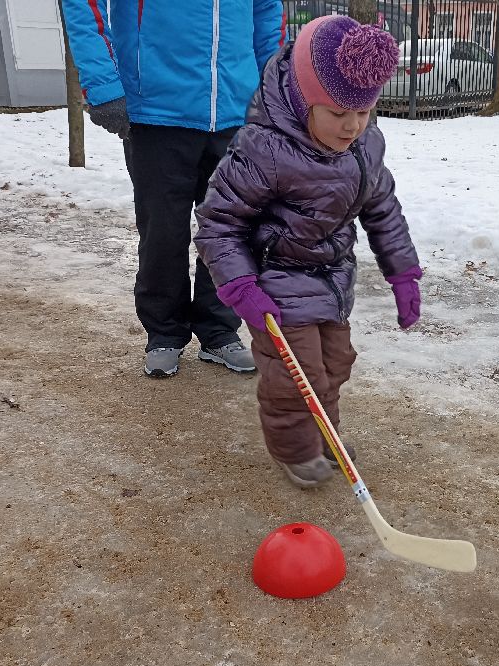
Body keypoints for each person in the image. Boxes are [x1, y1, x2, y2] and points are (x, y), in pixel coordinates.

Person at [194, 15, 422, 488]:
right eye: (337, 112)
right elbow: (219, 222)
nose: (352, 125)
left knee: (336, 364)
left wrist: (402, 273)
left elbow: (383, 210)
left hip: (332, 281)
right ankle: (296, 451)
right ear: (303, 100)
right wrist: (240, 287)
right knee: (298, 376)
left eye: (363, 112)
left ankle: (325, 436)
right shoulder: (265, 150)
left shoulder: (366, 147)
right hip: (275, 283)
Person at [59, 0, 284, 377]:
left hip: (236, 110)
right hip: (158, 109)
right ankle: (164, 332)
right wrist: (102, 82)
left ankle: (219, 331)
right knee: (163, 232)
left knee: (231, 234)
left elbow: (266, 14)